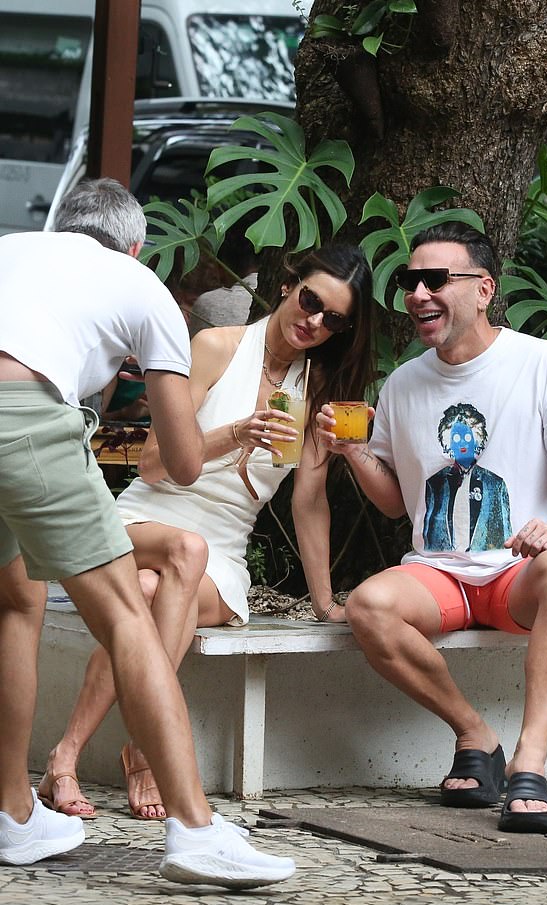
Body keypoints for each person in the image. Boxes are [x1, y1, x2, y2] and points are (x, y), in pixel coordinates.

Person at [0, 177, 296, 887]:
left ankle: (11, 811)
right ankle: (196, 829)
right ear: (137, 246)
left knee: (17, 599)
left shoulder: (12, 249)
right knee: (130, 619)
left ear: (62, 226)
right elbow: (185, 463)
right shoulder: (139, 286)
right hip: (23, 415)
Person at [38, 242, 374, 821]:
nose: (315, 322)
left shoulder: (316, 392)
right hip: (144, 520)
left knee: (147, 593)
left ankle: (63, 758)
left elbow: (310, 502)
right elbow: (150, 464)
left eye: (334, 319)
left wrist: (323, 601)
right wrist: (235, 434)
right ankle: (142, 752)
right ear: (290, 284)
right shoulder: (216, 346)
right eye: (312, 302)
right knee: (177, 553)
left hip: (221, 552)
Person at [318, 221, 547, 834]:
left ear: (483, 289)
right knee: (369, 605)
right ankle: (475, 736)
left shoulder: (542, 364)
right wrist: (353, 452)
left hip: (515, 576)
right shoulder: (404, 382)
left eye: (435, 280)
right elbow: (397, 504)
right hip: (439, 575)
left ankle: (531, 760)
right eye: (409, 281)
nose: (419, 293)